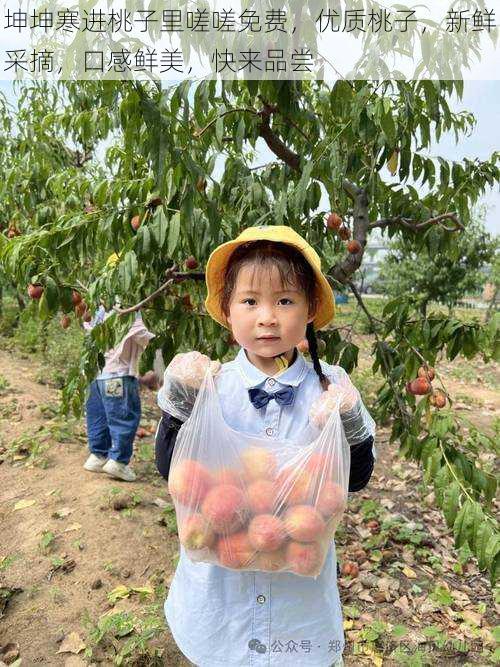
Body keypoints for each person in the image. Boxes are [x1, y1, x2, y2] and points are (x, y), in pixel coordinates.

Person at [155, 226, 376, 666]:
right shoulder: (211, 385)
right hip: (219, 608)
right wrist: (180, 407)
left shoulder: (331, 388)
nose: (268, 317)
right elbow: (171, 470)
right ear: (227, 308)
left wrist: (349, 421)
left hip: (299, 609)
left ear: (310, 309)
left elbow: (355, 479)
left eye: (286, 300)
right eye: (250, 301)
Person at [83, 301, 155, 482]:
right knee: (123, 418)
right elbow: (141, 334)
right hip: (118, 376)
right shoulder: (127, 309)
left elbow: (87, 325)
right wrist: (158, 344)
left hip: (96, 377)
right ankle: (118, 461)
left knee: (98, 417)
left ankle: (98, 456)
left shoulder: (97, 311)